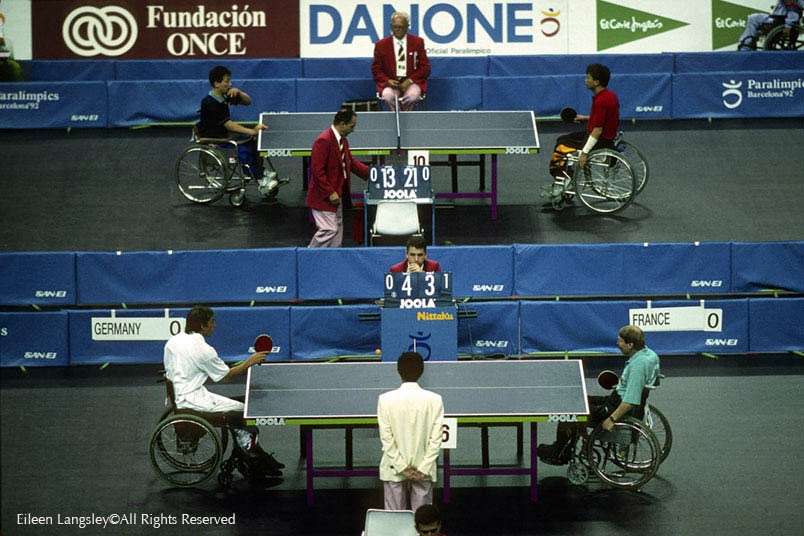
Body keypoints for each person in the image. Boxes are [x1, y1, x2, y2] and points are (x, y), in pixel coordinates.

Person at [163, 305, 284, 478]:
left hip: (180, 396)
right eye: (212, 322)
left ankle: (254, 455)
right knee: (244, 411)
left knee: (241, 403)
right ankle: (252, 459)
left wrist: (243, 362)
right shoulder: (203, 350)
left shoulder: (173, 341)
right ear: (203, 326)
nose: (215, 325)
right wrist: (250, 362)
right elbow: (226, 377)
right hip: (194, 401)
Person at [537, 325, 660, 465]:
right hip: (618, 397)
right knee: (579, 399)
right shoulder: (650, 355)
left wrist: (611, 419)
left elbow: (630, 401)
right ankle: (565, 446)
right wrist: (624, 384)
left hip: (617, 406)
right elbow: (648, 382)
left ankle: (560, 452)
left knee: (571, 411)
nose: (617, 343)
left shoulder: (638, 365)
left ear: (630, 345)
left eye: (620, 341)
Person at [378, 352, 445, 511]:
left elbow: (387, 439)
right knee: (423, 519)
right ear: (421, 371)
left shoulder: (385, 400)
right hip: (424, 469)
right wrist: (423, 467)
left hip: (393, 468)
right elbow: (436, 439)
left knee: (394, 519)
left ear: (398, 371)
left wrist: (402, 467)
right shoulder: (435, 400)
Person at [198, 65, 279, 194]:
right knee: (245, 148)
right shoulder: (210, 102)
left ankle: (260, 172)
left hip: (225, 135)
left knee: (254, 143)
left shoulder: (224, 95)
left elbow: (248, 102)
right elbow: (229, 125)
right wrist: (252, 130)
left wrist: (239, 92)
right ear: (216, 83)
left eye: (230, 81)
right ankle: (259, 179)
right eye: (227, 82)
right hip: (216, 139)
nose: (230, 84)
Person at [548, 64, 619, 198]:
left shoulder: (601, 101)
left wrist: (584, 153)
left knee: (561, 146)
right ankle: (566, 178)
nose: (585, 80)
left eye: (588, 78)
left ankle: (563, 182)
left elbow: (597, 130)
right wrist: (585, 118)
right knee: (562, 139)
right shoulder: (609, 96)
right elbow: (604, 119)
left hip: (599, 141)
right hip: (607, 137)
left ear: (596, 82)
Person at [307, 108, 369, 248]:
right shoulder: (323, 140)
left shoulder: (342, 141)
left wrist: (372, 173)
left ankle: (335, 255)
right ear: (342, 123)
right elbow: (318, 171)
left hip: (338, 193)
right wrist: (329, 192)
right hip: (324, 196)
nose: (353, 130)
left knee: (338, 226)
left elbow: (350, 162)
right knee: (330, 229)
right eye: (351, 126)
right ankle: (309, 255)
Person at [372, 12, 430, 111]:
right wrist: (387, 81)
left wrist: (410, 80)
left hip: (412, 82)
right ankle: (397, 119)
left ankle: (405, 118)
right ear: (391, 26)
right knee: (387, 96)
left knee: (413, 96)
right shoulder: (381, 45)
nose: (398, 29)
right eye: (395, 27)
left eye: (401, 27)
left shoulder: (417, 42)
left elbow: (425, 67)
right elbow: (376, 69)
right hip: (391, 83)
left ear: (407, 27)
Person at [738, 1, 804, 50]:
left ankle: (746, 46)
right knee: (756, 20)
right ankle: (749, 42)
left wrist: (788, 26)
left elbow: (792, 9)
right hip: (779, 18)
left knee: (753, 18)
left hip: (780, 20)